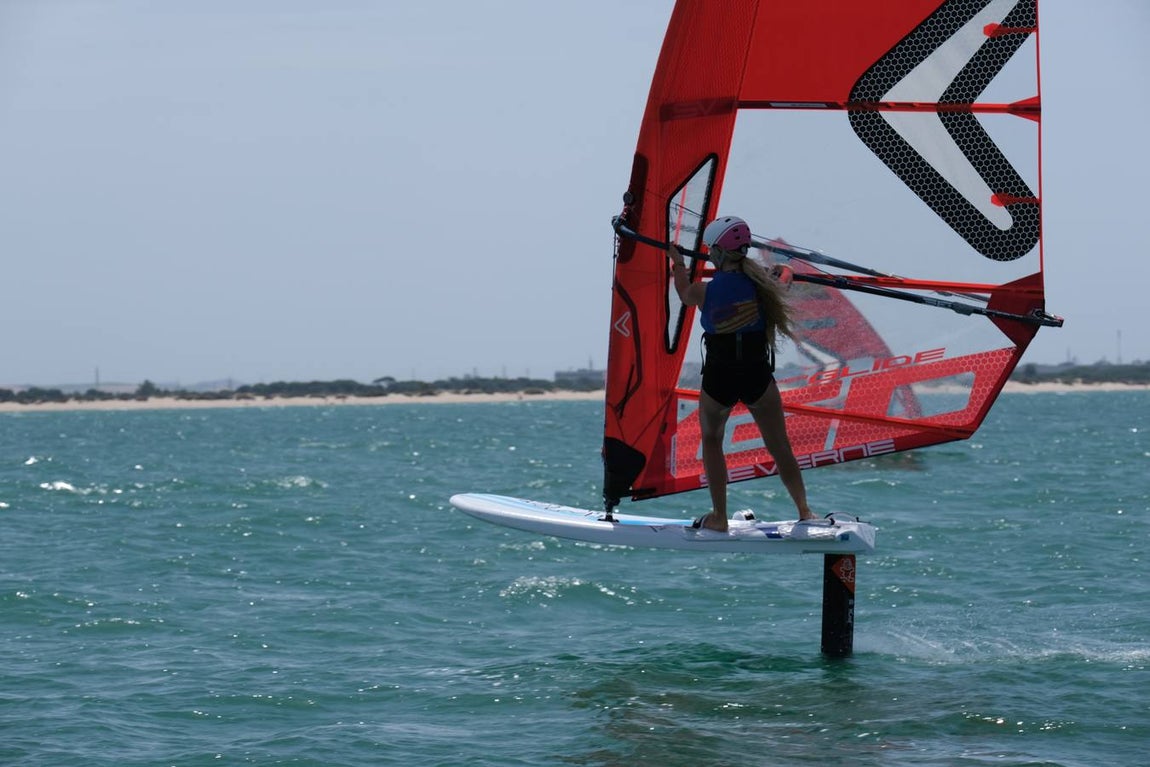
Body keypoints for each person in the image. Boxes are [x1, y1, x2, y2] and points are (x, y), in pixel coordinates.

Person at [669, 215, 817, 531]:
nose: (708, 254)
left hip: (719, 379)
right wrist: (785, 269)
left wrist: (677, 262)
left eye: (711, 249)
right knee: (779, 445)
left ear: (721, 253)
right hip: (756, 377)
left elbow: (682, 292)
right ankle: (804, 510)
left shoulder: (702, 291)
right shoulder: (765, 286)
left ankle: (719, 517)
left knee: (711, 440)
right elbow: (785, 278)